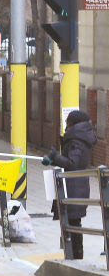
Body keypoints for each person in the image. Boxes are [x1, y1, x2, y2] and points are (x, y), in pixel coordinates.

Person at [42, 110, 97, 259]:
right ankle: (72, 255)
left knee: (73, 222)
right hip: (73, 185)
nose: (65, 124)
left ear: (73, 123)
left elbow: (73, 164)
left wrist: (55, 156)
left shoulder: (77, 141)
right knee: (71, 222)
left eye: (67, 122)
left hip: (73, 187)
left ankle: (76, 256)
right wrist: (54, 160)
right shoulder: (79, 138)